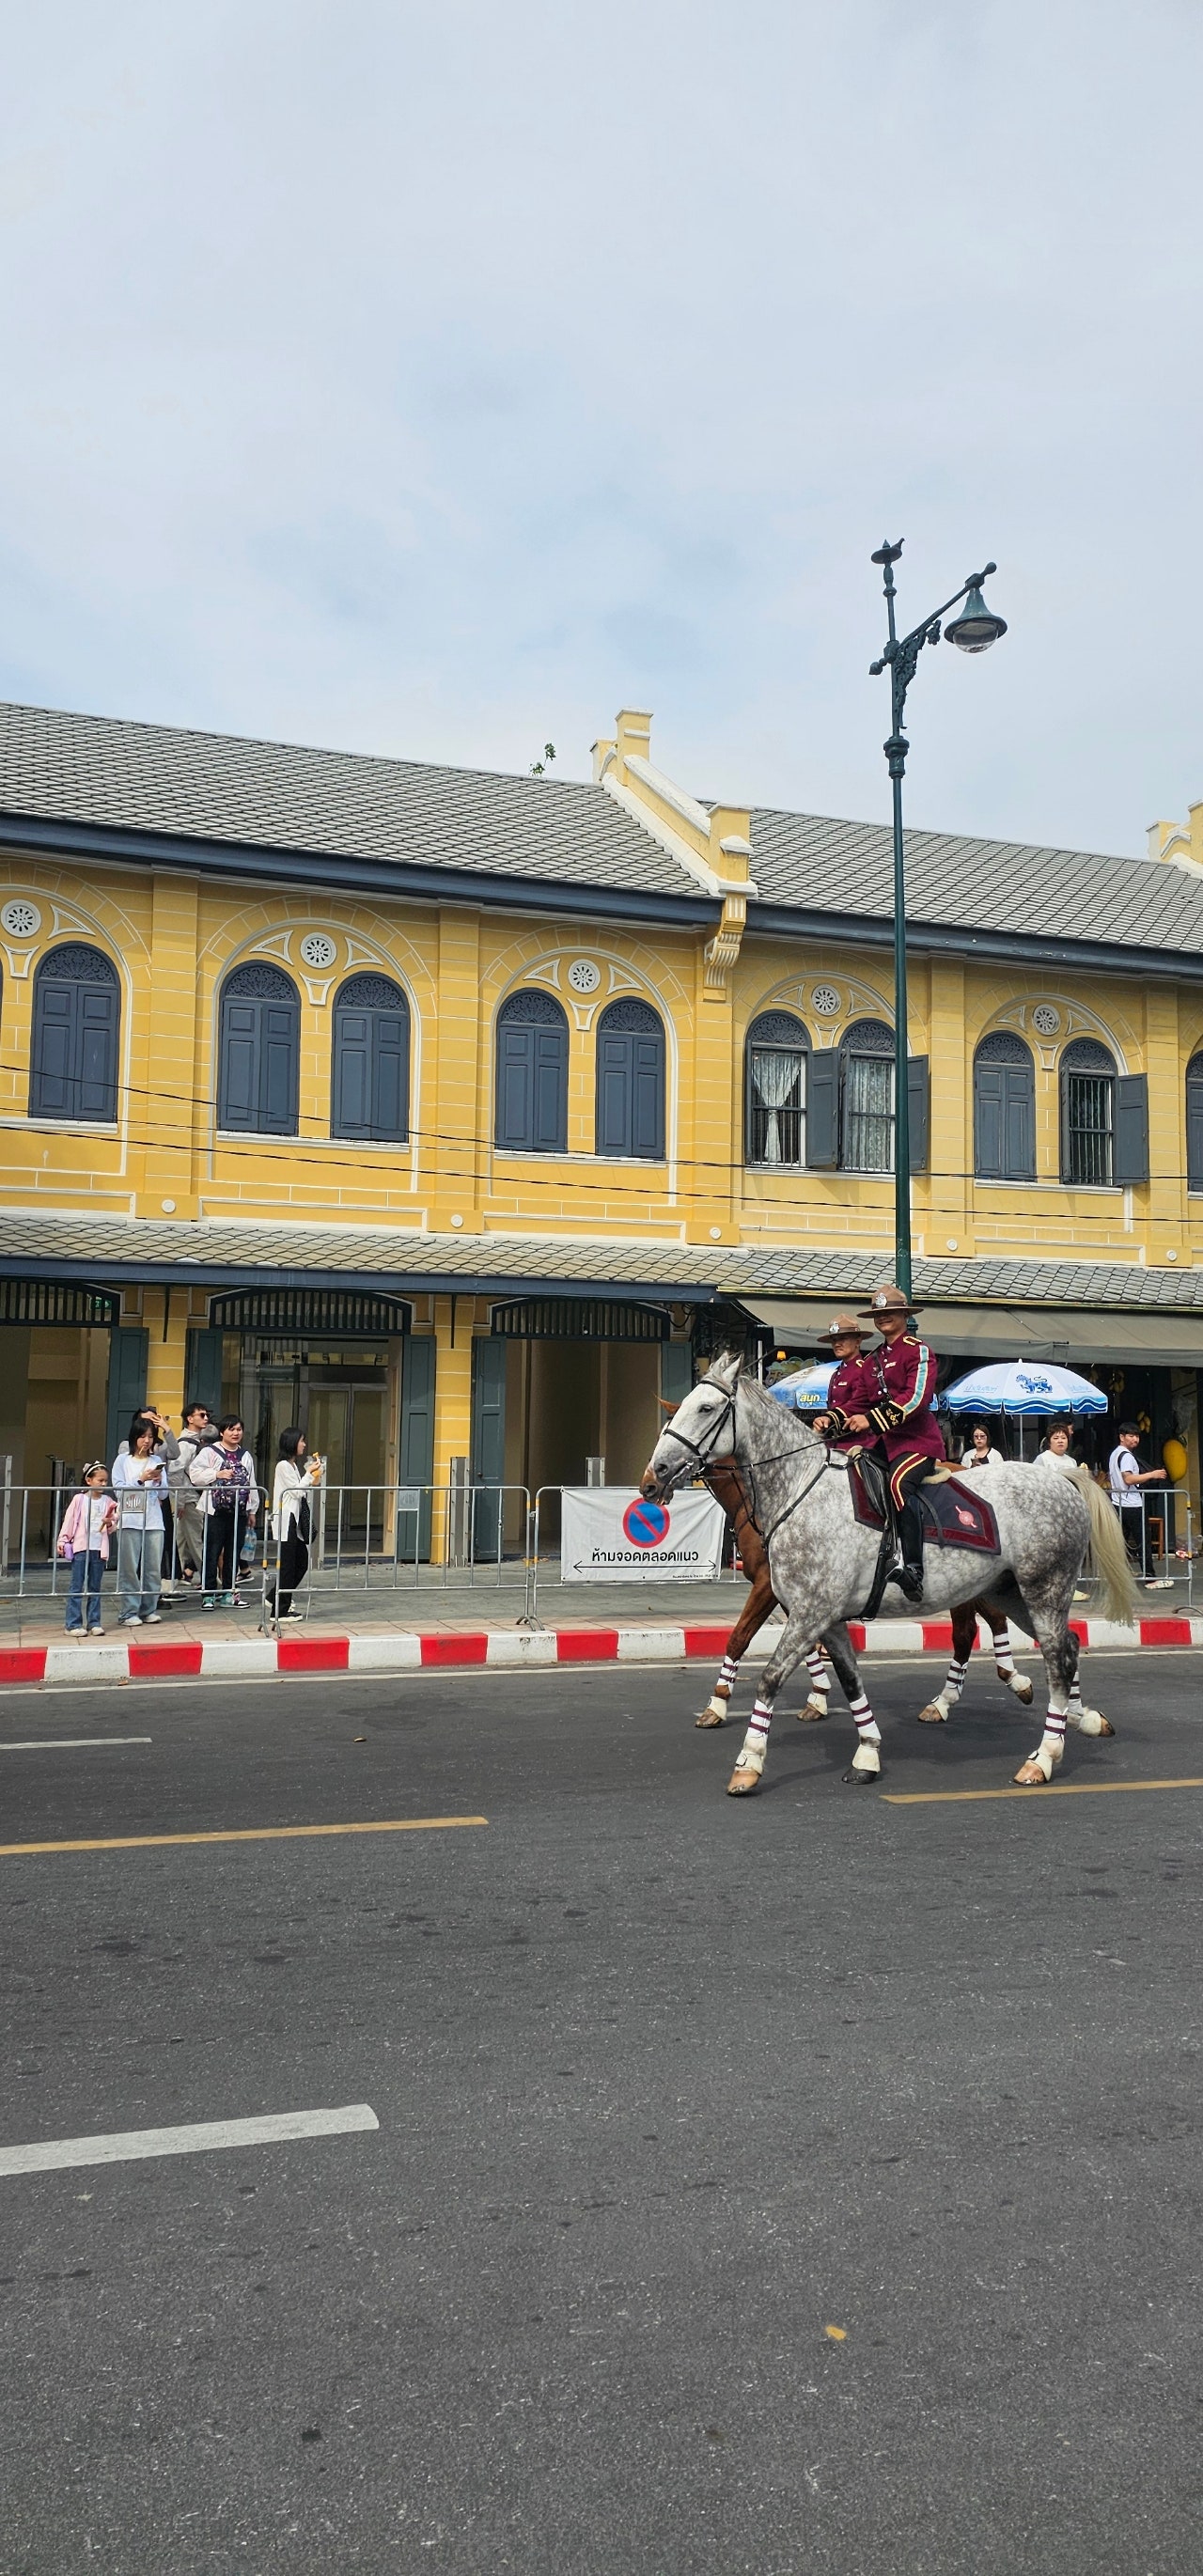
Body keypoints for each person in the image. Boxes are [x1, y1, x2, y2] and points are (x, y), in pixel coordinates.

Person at [855, 1284, 944, 1602]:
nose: (883, 1318)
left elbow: (916, 1399)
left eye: (890, 1313)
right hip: (884, 1444)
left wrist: (871, 1419)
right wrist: (831, 1420)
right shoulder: (872, 1360)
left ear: (905, 1315)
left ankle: (914, 1569)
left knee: (898, 1485)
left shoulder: (918, 1350)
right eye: (878, 1314)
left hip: (918, 1443)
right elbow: (859, 1402)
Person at [189, 1414, 259, 1609]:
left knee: (233, 1553)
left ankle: (229, 1592)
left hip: (238, 1511)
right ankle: (208, 1595)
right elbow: (195, 1474)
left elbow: (251, 1482)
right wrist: (216, 1474)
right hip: (215, 1511)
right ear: (222, 1432)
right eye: (231, 1429)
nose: (235, 1433)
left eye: (239, 1429)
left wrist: (252, 1510)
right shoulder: (210, 1452)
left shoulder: (245, 1455)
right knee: (211, 1552)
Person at [111, 1416, 168, 1625]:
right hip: (130, 1519)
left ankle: (148, 1609)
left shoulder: (156, 1461)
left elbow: (164, 1495)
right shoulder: (122, 1460)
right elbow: (118, 1490)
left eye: (151, 1437)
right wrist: (140, 1480)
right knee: (129, 1568)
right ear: (134, 1437)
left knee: (153, 1569)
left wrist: (159, 1481)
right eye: (142, 1436)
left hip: (153, 1520)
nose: (146, 1441)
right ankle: (129, 1612)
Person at [56, 1461, 118, 1635]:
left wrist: (110, 1523)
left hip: (99, 1549)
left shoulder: (108, 1502)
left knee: (95, 1587)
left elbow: (113, 1525)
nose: (104, 1484)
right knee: (76, 1586)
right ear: (89, 1480)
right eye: (100, 1480)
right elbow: (69, 1521)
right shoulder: (79, 1499)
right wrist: (63, 1539)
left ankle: (94, 1622)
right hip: (81, 1548)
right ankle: (72, 1624)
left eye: (106, 1481)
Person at [267, 1427, 322, 1619]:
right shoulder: (283, 1466)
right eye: (301, 1441)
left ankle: (274, 1598)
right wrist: (309, 1473)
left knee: (300, 1563)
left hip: (294, 1521)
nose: (304, 1445)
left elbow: (303, 1489)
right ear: (292, 1443)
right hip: (286, 1520)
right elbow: (296, 1492)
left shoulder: (292, 1466)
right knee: (288, 1566)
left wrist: (312, 1475)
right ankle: (280, 1610)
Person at [1108, 1420, 1166, 1575]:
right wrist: (1152, 1474)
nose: (1135, 1439)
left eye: (1137, 1436)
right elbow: (1129, 1479)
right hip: (1132, 1504)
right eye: (1131, 1436)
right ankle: (1150, 1577)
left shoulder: (1115, 1454)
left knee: (1119, 1542)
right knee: (1143, 1542)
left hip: (1118, 1502)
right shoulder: (1127, 1456)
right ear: (1122, 1437)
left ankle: (1118, 1573)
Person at [170, 1399, 218, 1585]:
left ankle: (177, 1577)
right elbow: (176, 1473)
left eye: (207, 1415)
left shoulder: (199, 1441)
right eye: (202, 1415)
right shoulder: (185, 1444)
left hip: (190, 1498)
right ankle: (210, 1581)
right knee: (198, 1541)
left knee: (181, 1541)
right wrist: (180, 1501)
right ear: (190, 1419)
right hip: (190, 1499)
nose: (206, 1418)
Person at [813, 1314, 876, 1451]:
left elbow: (858, 1406)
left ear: (858, 1341)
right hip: (834, 1443)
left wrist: (829, 1418)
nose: (837, 1344)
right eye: (834, 1340)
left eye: (843, 1338)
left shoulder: (863, 1369)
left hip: (859, 1444)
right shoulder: (837, 1372)